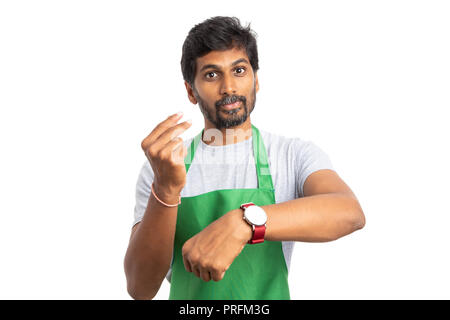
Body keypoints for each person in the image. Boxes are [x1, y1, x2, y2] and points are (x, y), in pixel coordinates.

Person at [124, 16, 365, 300]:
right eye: (211, 75)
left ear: (256, 80)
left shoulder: (291, 155)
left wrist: (245, 223)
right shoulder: (165, 166)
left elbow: (348, 213)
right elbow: (140, 287)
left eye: (239, 70)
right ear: (191, 91)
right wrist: (165, 190)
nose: (229, 87)